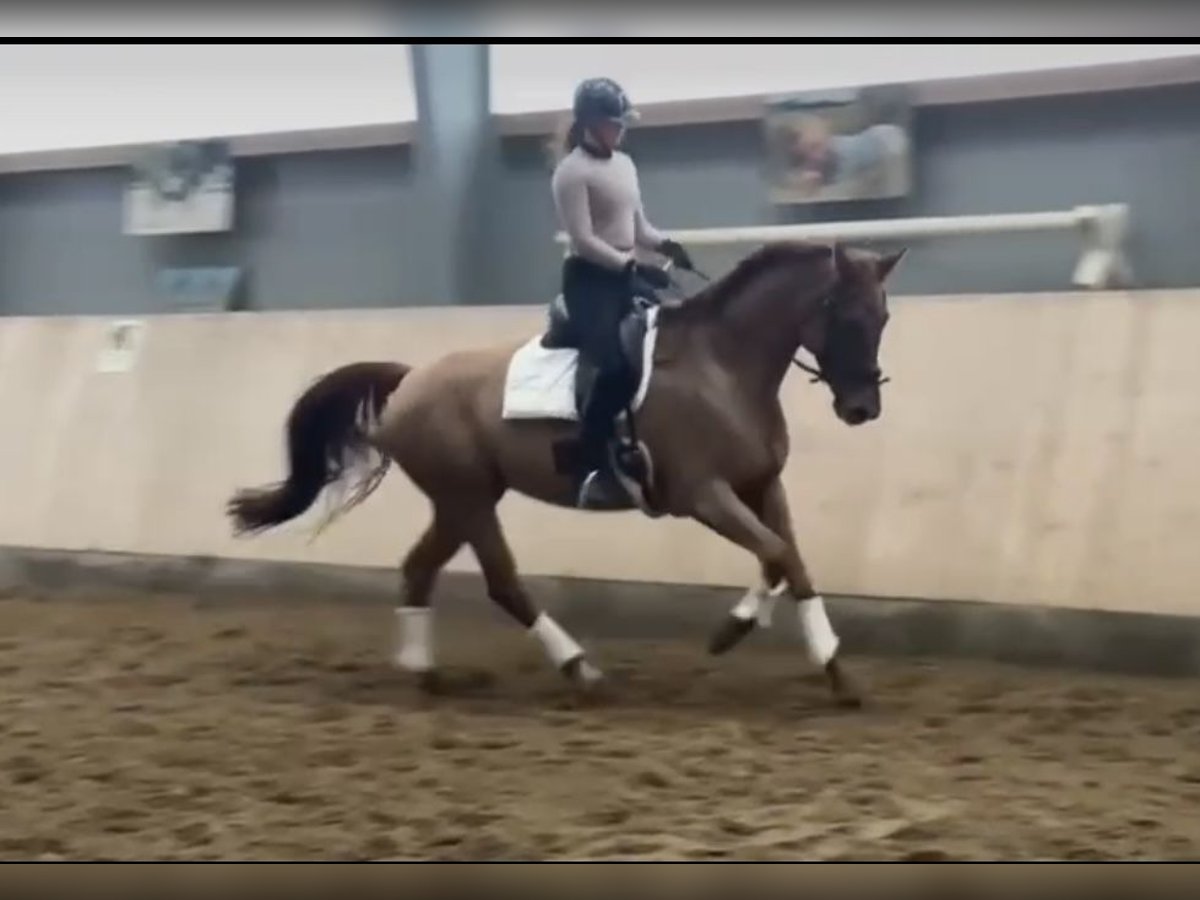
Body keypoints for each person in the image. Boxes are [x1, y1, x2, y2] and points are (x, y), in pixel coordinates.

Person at [551, 76, 694, 510]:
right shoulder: (571, 172)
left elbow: (638, 229)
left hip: (625, 272)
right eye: (614, 123)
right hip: (590, 281)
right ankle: (589, 465)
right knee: (614, 367)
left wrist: (665, 245)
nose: (621, 130)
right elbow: (584, 239)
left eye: (622, 124)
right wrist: (631, 265)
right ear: (592, 123)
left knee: (680, 337)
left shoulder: (625, 164)